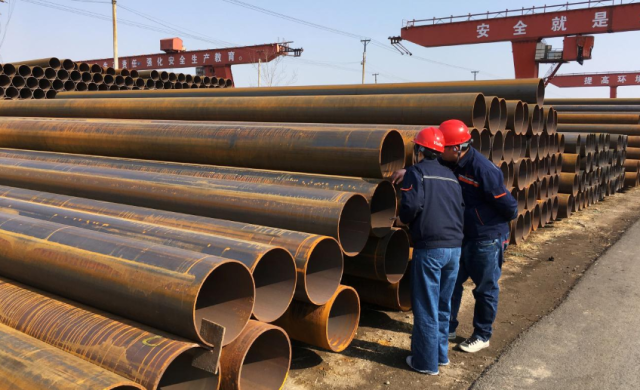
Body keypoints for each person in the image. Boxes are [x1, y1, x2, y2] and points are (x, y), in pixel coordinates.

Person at [437, 119, 518, 354]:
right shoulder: (451, 163)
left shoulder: (484, 170)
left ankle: (482, 335)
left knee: (485, 288)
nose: (440, 151)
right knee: (452, 282)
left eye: (443, 147)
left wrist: (484, 222)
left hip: (487, 238)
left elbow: (509, 207)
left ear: (457, 148)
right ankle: (448, 327)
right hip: (463, 235)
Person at [395, 127, 465, 375]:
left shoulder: (416, 173)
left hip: (431, 249)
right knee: (443, 304)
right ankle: (440, 355)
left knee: (425, 306)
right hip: (454, 248)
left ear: (419, 150)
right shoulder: (451, 176)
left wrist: (403, 218)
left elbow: (411, 206)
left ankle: (426, 363)